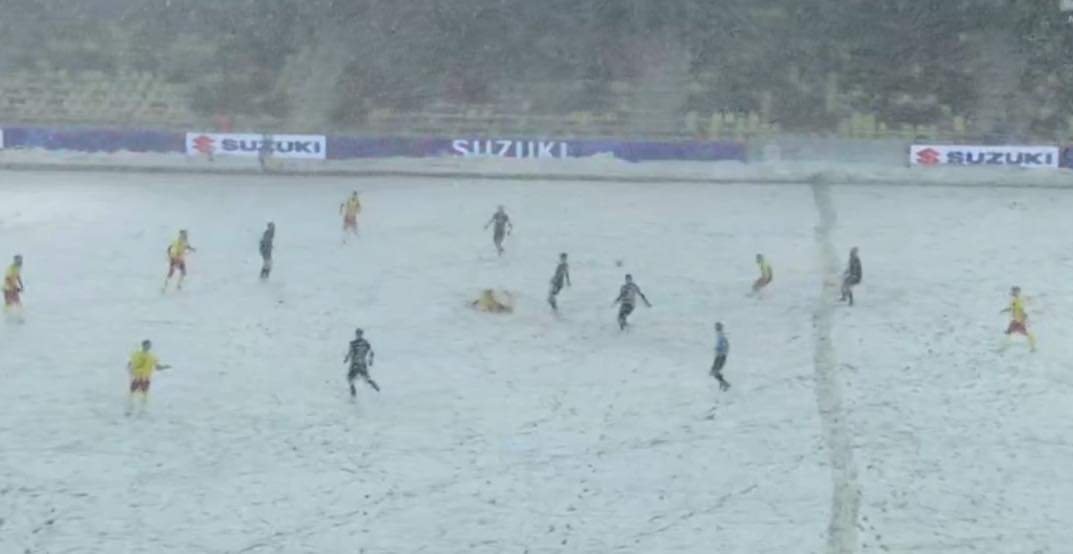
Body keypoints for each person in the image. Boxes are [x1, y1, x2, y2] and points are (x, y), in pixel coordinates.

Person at [127, 339, 171, 415]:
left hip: (145, 378)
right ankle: (130, 409)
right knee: (132, 394)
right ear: (143, 345)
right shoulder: (136, 354)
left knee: (144, 394)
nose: (148, 347)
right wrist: (130, 370)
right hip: (136, 377)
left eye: (149, 345)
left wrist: (165, 367)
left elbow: (157, 367)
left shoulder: (152, 357)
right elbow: (130, 364)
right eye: (147, 345)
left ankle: (142, 410)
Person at [1001, 286, 1037, 352]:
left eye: (1015, 291)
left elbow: (1022, 310)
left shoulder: (1019, 300)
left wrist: (1024, 318)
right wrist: (1005, 310)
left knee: (1025, 333)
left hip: (1019, 321)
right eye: (1013, 291)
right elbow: (1012, 308)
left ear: (1018, 292)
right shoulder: (1014, 300)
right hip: (1015, 320)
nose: (1013, 292)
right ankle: (1003, 347)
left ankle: (1033, 347)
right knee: (1009, 333)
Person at [345, 328, 379, 397]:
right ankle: (374, 385)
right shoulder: (366, 343)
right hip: (362, 364)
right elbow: (372, 353)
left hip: (355, 364)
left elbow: (350, 352)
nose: (358, 335)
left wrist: (346, 358)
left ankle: (353, 394)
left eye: (358, 334)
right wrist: (370, 361)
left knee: (350, 378)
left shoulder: (353, 343)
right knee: (366, 378)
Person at [710, 322, 731, 391]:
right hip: (720, 356)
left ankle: (725, 384)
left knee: (713, 371)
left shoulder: (721, 336)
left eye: (717, 327)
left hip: (720, 357)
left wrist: (719, 350)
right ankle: (722, 383)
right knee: (714, 371)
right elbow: (726, 345)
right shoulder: (720, 335)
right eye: (716, 327)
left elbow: (725, 345)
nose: (715, 328)